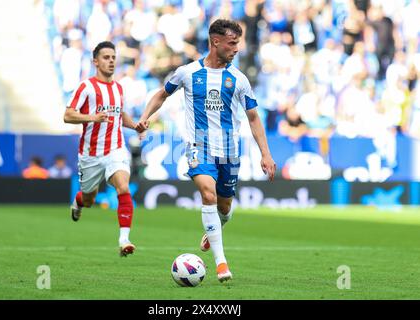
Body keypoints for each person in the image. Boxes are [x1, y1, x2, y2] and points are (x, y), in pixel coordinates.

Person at [137, 19, 276, 282]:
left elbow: (254, 117)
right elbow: (161, 95)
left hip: (228, 149)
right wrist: (145, 116)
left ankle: (215, 229)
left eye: (238, 43)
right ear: (216, 41)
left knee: (224, 207)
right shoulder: (187, 72)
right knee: (207, 193)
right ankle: (222, 264)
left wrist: (265, 154)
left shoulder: (238, 79)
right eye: (232, 43)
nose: (237, 48)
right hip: (198, 146)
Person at [64, 41, 146, 257]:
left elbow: (120, 115)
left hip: (115, 149)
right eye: (106, 57)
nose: (111, 61)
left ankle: (124, 239)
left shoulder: (119, 88)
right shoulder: (86, 87)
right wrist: (92, 117)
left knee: (123, 188)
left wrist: (135, 124)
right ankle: (80, 201)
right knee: (90, 199)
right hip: (90, 154)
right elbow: (68, 115)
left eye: (113, 57)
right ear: (95, 61)